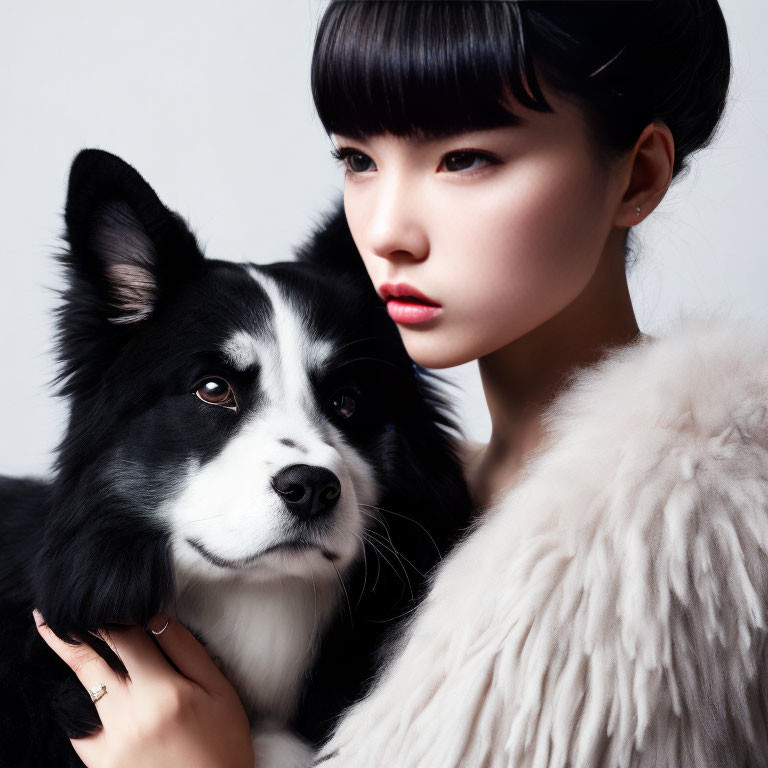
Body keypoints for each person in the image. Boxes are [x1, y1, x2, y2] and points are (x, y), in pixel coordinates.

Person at [37, 1, 768, 766]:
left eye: (464, 159)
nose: (387, 229)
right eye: (358, 159)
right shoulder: (415, 508)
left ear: (637, 175)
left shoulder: (695, 544)